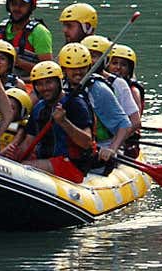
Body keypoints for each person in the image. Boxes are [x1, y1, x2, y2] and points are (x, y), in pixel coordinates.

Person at [57, 42, 129, 173]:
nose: (78, 72)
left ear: (89, 66)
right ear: (64, 70)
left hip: (101, 147)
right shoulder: (60, 87)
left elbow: (124, 124)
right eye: (73, 69)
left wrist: (112, 149)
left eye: (82, 68)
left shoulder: (98, 89)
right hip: (72, 147)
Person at [9, 60, 88, 167]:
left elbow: (87, 143)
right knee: (19, 165)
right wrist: (13, 158)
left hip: (71, 164)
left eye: (49, 82)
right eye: (40, 84)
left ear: (59, 82)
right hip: (44, 159)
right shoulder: (38, 107)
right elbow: (28, 141)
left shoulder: (75, 104)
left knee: (26, 166)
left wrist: (64, 122)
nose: (45, 88)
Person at [83, 33, 140, 152]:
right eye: (88, 55)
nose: (92, 61)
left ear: (106, 60)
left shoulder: (118, 84)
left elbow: (135, 122)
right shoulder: (74, 82)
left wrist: (114, 145)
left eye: (96, 56)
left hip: (108, 143)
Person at [0, 0, 53, 80]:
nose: (17, 8)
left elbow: (48, 71)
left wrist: (18, 62)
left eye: (22, 5)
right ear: (8, 6)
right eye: (13, 4)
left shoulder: (40, 32)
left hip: (29, 84)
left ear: (31, 7)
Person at [106, 44, 145, 156]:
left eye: (123, 65)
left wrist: (115, 143)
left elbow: (135, 123)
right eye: (114, 63)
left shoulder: (133, 90)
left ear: (129, 69)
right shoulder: (105, 85)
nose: (118, 67)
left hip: (128, 140)